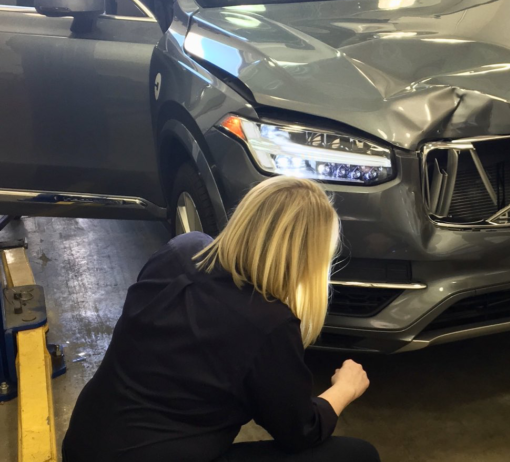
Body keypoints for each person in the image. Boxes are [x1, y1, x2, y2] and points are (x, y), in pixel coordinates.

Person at [62, 176, 380, 462]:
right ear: (310, 261)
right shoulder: (269, 323)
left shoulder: (180, 251)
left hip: (84, 444)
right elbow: (299, 432)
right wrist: (345, 388)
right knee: (359, 456)